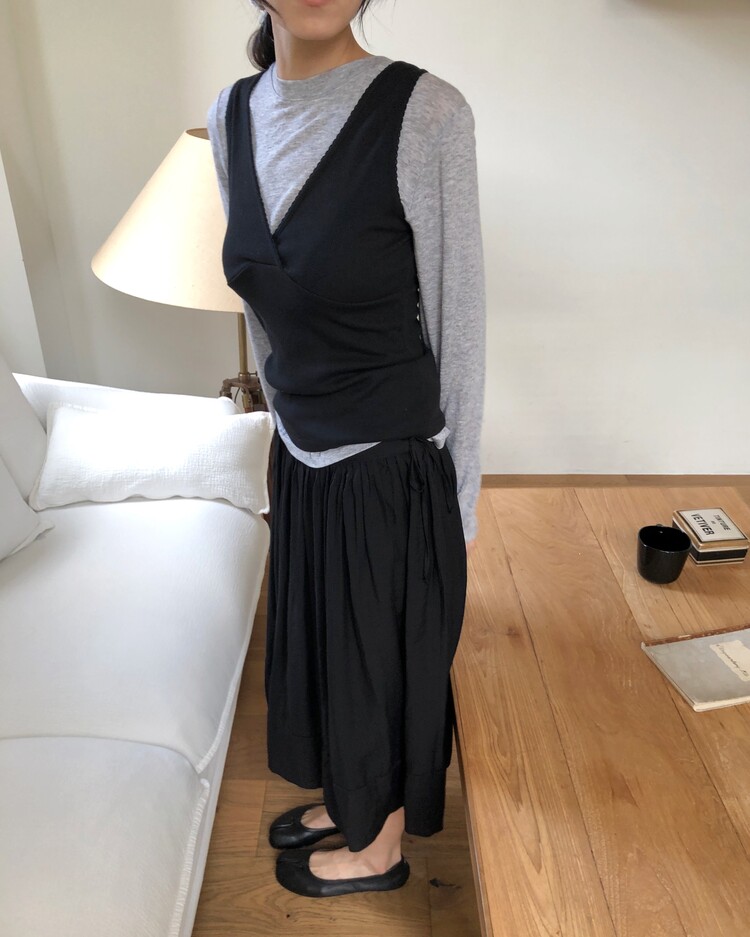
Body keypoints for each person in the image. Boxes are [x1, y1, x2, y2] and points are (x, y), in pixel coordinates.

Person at [206, 0, 485, 899]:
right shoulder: (231, 113)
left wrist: (458, 504)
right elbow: (259, 298)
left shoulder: (426, 112)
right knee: (329, 649)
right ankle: (350, 800)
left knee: (379, 663)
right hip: (302, 448)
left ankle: (381, 848)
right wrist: (282, 415)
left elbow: (460, 319)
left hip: (386, 459)